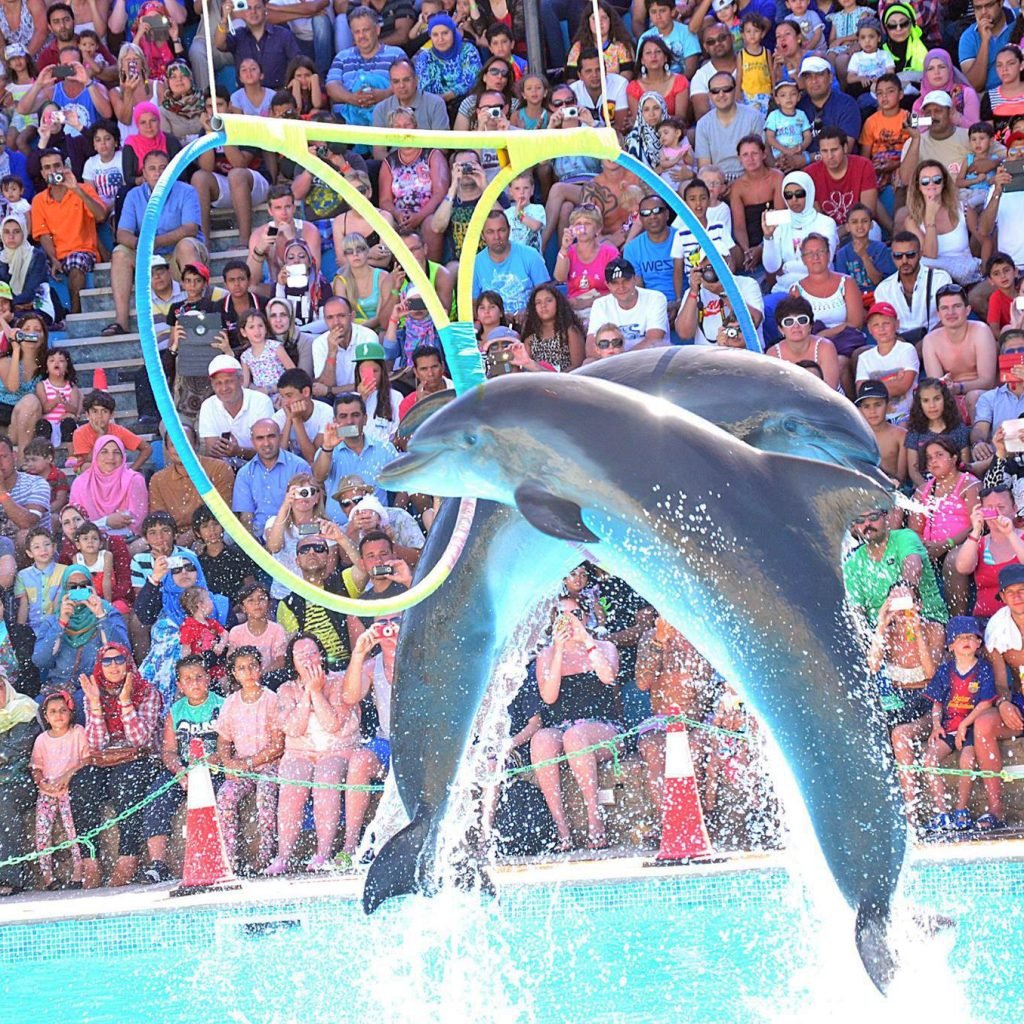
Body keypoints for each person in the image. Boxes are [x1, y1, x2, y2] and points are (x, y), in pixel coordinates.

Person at [264, 633, 361, 874]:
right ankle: (283, 856)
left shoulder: (339, 682)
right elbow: (294, 728)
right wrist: (308, 692)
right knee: (291, 782)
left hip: (337, 749)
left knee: (326, 779)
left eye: (312, 653)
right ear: (292, 662)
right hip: (300, 752)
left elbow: (332, 725)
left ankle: (323, 853)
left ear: (321, 655)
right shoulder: (285, 690)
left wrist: (317, 692)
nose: (308, 660)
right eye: (301, 656)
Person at [531, 595, 620, 851]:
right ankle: (562, 830)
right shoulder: (547, 655)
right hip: (562, 726)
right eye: (563, 616)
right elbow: (549, 697)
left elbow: (608, 677)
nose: (569, 621)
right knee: (542, 741)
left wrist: (585, 641)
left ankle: (595, 820)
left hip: (602, 728)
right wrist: (559, 650)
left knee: (575, 737)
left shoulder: (604, 647)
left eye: (575, 614)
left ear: (585, 617)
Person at [137, 655, 224, 883]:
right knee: (157, 797)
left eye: (198, 677)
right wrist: (181, 772)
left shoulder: (221, 705)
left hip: (213, 767)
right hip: (184, 768)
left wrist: (203, 768)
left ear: (208, 678)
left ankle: (217, 859)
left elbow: (227, 747)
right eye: (188, 679)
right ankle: (158, 864)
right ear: (180, 685)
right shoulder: (175, 711)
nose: (194, 683)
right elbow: (168, 751)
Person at [107, 150, 205, 338]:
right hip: (150, 257)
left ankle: (198, 312)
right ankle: (121, 321)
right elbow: (122, 233)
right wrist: (140, 244)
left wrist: (154, 243)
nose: (158, 173)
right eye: (152, 169)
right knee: (120, 253)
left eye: (163, 168)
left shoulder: (186, 191)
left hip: (179, 255)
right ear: (143, 173)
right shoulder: (134, 195)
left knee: (186, 244)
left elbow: (190, 228)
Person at [634, 617, 716, 816]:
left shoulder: (699, 636)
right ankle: (668, 821)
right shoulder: (649, 638)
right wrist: (659, 642)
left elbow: (706, 689)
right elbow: (643, 683)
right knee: (651, 748)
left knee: (694, 748)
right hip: (661, 721)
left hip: (696, 720)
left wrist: (684, 724)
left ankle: (696, 818)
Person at [921, 616, 996, 832]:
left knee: (968, 760)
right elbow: (937, 703)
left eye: (971, 637)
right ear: (950, 645)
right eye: (960, 637)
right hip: (949, 726)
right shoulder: (945, 671)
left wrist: (965, 724)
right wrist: (936, 725)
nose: (966, 641)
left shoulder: (983, 669)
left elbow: (985, 703)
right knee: (929, 759)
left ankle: (960, 810)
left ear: (979, 643)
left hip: (972, 727)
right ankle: (942, 812)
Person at [214, 646, 284, 874]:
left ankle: (266, 853)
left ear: (260, 668)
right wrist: (227, 763)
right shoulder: (231, 702)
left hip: (268, 765)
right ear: (234, 673)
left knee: (265, 792)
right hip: (242, 767)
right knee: (225, 795)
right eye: (241, 668)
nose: (248, 672)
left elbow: (277, 745)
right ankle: (230, 858)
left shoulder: (271, 699)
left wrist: (249, 764)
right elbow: (223, 740)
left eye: (252, 666)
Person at [135, 549, 229, 714]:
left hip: (206, 672)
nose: (184, 572)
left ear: (198, 570)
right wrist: (155, 578)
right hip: (161, 676)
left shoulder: (217, 604)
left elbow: (225, 638)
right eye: (176, 570)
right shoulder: (162, 600)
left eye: (189, 567)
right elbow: (144, 615)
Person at [844, 504, 948, 629]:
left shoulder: (905, 537)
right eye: (860, 520)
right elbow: (856, 610)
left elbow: (913, 565)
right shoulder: (852, 562)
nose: (867, 524)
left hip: (923, 618)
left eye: (873, 517)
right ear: (854, 527)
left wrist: (905, 587)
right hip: (881, 629)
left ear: (886, 517)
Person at [975, 563, 1024, 830]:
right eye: (1011, 592)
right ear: (1002, 597)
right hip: (1021, 700)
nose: (1018, 597)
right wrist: (1004, 703)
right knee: (983, 725)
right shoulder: (998, 626)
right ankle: (995, 811)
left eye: (1023, 590)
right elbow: (1001, 682)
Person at [909, 437, 981, 615]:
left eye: (939, 455)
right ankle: (923, 620)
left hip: (965, 544)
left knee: (953, 560)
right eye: (929, 457)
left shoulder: (969, 484)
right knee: (911, 559)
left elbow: (977, 525)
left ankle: (959, 624)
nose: (933, 461)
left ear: (954, 457)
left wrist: (945, 545)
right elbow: (915, 530)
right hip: (931, 548)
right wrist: (926, 548)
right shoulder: (922, 491)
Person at [33, 565, 129, 689]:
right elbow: (41, 661)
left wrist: (100, 616)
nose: (78, 590)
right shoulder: (53, 621)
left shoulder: (108, 613)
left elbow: (123, 651)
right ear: (64, 590)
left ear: (91, 587)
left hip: (98, 687)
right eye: (72, 587)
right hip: (59, 688)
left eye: (83, 585)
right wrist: (61, 623)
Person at [30, 689, 88, 889]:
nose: (58, 715)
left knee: (74, 831)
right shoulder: (42, 740)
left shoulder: (78, 732)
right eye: (52, 711)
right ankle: (48, 877)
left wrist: (68, 776)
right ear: (45, 716)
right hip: (47, 793)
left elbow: (86, 760)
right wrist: (42, 783)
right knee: (42, 833)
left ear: (71, 712)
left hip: (68, 791)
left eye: (63, 710)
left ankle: (78, 872)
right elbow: (36, 767)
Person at [790, 233, 865, 383]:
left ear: (829, 254)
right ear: (803, 259)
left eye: (820, 251)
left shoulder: (846, 282)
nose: (815, 257)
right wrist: (820, 337)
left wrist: (826, 333)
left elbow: (856, 322)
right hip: (812, 344)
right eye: (810, 253)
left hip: (845, 342)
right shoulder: (796, 290)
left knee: (840, 363)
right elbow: (796, 326)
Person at [922, 284, 998, 420]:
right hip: (949, 396)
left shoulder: (981, 330)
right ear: (939, 314)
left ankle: (979, 440)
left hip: (983, 395)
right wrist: (946, 387)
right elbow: (936, 385)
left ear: (968, 310)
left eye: (956, 306)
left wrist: (957, 387)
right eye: (945, 308)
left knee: (973, 396)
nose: (951, 313)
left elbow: (988, 381)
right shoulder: (930, 340)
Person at [325, 5, 405, 127]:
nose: (361, 36)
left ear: (377, 30)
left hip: (386, 123)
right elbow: (331, 86)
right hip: (345, 124)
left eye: (366, 30)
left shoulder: (396, 54)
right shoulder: (342, 57)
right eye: (357, 32)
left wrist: (383, 95)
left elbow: (407, 85)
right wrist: (353, 99)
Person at [761, 171, 839, 294]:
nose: (794, 199)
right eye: (788, 195)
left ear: (809, 193)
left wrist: (787, 267)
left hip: (819, 286)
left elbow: (823, 262)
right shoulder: (780, 222)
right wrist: (768, 237)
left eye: (799, 194)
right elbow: (771, 267)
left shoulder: (826, 223)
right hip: (785, 288)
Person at [905, 159, 980, 286]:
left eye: (937, 180)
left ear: (944, 182)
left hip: (965, 276)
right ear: (918, 186)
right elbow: (930, 255)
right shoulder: (911, 221)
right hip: (935, 280)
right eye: (925, 181)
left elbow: (983, 239)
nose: (931, 184)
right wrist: (930, 218)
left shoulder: (963, 209)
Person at [312, 392, 399, 502]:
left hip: (376, 518)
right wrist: (328, 447)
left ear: (365, 419)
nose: (349, 422)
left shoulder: (385, 448)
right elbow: (318, 478)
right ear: (335, 421)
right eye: (343, 416)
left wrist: (396, 511)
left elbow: (405, 484)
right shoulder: (326, 451)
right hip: (337, 519)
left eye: (355, 415)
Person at [954, 484, 1024, 619]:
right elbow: (962, 568)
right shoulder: (979, 543)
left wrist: (1009, 534)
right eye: (989, 509)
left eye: (1001, 507)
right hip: (985, 619)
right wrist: (976, 530)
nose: (995, 513)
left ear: (1014, 509)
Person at [471, 208, 549, 322]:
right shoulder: (475, 263)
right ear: (483, 235)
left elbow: (547, 294)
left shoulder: (531, 255)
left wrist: (529, 312)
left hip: (531, 322)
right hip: (493, 326)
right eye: (490, 232)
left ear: (509, 231)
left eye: (501, 230)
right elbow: (473, 305)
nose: (496, 237)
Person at [0, 672, 39, 896]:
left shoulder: (23, 709)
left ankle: (9, 876)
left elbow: (16, 750)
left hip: (22, 780)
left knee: (3, 801)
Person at [197, 354, 275, 466]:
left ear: (241, 380)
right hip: (225, 469)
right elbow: (213, 451)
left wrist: (239, 452)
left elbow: (270, 450)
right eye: (218, 383)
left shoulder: (261, 401)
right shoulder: (208, 405)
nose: (224, 388)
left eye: (229, 381)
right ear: (212, 385)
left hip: (260, 466)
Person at [873, 231, 951, 344]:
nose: (904, 261)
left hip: (936, 340)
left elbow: (949, 316)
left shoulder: (940, 279)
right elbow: (884, 325)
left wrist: (926, 343)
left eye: (910, 255)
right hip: (899, 344)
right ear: (893, 257)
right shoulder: (883, 289)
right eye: (898, 256)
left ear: (920, 254)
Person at [808, 127, 882, 240]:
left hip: (857, 225)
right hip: (827, 232)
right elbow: (817, 219)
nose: (830, 156)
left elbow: (868, 212)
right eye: (824, 151)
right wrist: (833, 235)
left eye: (834, 150)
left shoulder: (863, 166)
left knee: (872, 230)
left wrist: (841, 232)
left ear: (845, 148)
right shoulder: (810, 173)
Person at [68, 435, 148, 538]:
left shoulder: (134, 480)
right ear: (96, 455)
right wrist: (106, 522)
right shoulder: (80, 483)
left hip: (128, 542)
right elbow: (74, 524)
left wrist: (104, 533)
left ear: (123, 456)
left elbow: (137, 523)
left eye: (116, 452)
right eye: (104, 452)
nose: (111, 457)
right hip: (89, 544)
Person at [855, 301, 920, 424]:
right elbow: (863, 393)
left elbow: (903, 387)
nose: (881, 328)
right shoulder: (864, 358)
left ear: (897, 324)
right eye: (876, 325)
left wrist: (874, 386)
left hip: (906, 415)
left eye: (886, 323)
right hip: (876, 418)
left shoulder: (907, 349)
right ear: (869, 329)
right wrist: (894, 380)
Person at [693, 70, 764, 181]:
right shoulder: (703, 124)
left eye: (726, 89)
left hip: (750, 178)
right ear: (710, 95)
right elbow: (704, 167)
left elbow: (761, 158)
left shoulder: (754, 117)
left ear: (735, 91)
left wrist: (738, 185)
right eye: (715, 91)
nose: (721, 95)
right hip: (717, 181)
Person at [214, 0, 299, 91]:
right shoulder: (238, 35)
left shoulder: (283, 35)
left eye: (257, 7)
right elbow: (219, 44)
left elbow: (298, 63)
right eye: (249, 8)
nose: (253, 12)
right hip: (246, 96)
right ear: (243, 12)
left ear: (265, 9)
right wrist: (224, 19)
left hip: (278, 96)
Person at [905, 377, 972, 490]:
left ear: (945, 400)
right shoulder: (914, 432)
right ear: (919, 404)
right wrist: (929, 491)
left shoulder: (958, 429)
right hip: (926, 488)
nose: (932, 405)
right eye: (926, 400)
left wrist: (949, 489)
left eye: (937, 398)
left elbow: (964, 466)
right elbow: (913, 471)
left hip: (955, 486)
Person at [766, 294, 841, 389]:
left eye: (802, 320)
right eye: (788, 322)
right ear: (781, 329)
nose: (796, 326)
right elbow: (775, 389)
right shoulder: (772, 354)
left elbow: (830, 390)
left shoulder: (826, 347)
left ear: (810, 325)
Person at [412, 13, 482, 107]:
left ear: (453, 32)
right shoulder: (424, 57)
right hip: (433, 107)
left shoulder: (468, 51)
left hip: (466, 104)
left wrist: (447, 96)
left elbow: (472, 80)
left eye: (445, 33)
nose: (440, 39)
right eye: (435, 35)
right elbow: (423, 88)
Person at [0, 215, 56, 324]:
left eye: (16, 232)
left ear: (24, 233)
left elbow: (31, 291)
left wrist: (10, 308)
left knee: (22, 322)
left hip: (37, 307)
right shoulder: (1, 258)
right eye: (6, 232)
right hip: (7, 309)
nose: (11, 236)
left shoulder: (36, 256)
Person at [371, 57, 449, 133]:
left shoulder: (436, 104)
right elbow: (379, 146)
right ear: (391, 84)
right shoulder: (380, 110)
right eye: (396, 81)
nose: (401, 85)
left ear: (416, 80)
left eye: (406, 80)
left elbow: (442, 144)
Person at [855, 380, 908, 483]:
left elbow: (901, 477)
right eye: (866, 406)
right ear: (860, 409)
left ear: (888, 405)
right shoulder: (856, 437)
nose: (872, 411)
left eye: (878, 404)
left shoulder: (900, 435)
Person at [228, 582, 288, 671]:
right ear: (243, 607)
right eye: (250, 600)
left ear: (269, 603)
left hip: (270, 678)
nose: (257, 603)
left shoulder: (277, 630)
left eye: (261, 599)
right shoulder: (236, 632)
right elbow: (231, 662)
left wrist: (260, 674)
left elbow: (280, 661)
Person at [959, 0, 1016, 93]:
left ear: (1001, 3)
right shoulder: (968, 37)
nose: (983, 12)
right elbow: (974, 85)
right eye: (978, 8)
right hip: (987, 97)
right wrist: (985, 41)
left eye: (989, 5)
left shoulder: (1019, 21)